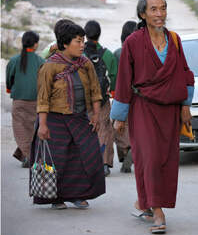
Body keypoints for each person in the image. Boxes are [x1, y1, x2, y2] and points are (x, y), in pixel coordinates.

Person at [111, 0, 194, 234]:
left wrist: (186, 105)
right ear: (142, 14)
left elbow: (186, 73)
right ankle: (157, 211)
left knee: (166, 159)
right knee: (149, 157)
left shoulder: (175, 40)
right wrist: (119, 116)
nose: (160, 14)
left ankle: (144, 202)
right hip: (143, 107)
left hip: (170, 109)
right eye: (154, 9)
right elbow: (124, 79)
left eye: (163, 8)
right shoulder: (133, 42)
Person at [34, 22, 106, 210]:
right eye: (78, 41)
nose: (82, 45)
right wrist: (42, 125)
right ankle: (56, 197)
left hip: (80, 118)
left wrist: (96, 115)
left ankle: (78, 195)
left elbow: (95, 91)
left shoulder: (86, 64)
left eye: (83, 41)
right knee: (58, 159)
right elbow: (42, 98)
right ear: (66, 43)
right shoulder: (49, 67)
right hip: (54, 120)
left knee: (86, 155)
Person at [84, 20, 119, 177]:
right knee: (104, 130)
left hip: (82, 101)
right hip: (102, 100)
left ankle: (85, 163)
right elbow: (113, 78)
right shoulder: (108, 55)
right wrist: (112, 92)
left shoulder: (78, 53)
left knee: (84, 130)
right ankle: (104, 164)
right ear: (99, 34)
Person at [6, 31, 45, 167]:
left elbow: (9, 80)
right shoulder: (41, 61)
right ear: (35, 44)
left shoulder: (14, 60)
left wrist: (10, 89)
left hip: (19, 101)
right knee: (32, 129)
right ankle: (27, 155)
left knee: (20, 129)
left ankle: (28, 156)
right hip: (36, 101)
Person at [112, 20, 138, 173]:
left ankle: (124, 152)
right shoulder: (141, 51)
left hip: (121, 96)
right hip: (138, 96)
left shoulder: (117, 53)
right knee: (136, 128)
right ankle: (133, 151)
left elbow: (115, 77)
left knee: (120, 127)